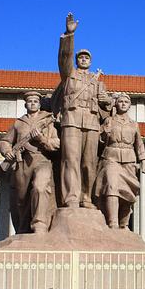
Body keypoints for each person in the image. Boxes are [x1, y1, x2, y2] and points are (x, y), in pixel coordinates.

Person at [54, 12, 113, 209]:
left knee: (89, 162)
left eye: (87, 57)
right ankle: (71, 197)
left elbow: (108, 106)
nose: (84, 59)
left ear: (91, 61)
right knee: (70, 159)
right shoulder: (69, 74)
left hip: (91, 121)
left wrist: (108, 101)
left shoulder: (98, 82)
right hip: (71, 119)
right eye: (81, 57)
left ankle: (86, 197)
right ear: (77, 60)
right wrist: (69, 35)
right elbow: (64, 56)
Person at [0, 91, 60, 234]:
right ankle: (23, 228)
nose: (32, 103)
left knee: (40, 187)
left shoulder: (47, 121)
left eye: (35, 101)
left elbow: (56, 144)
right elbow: (5, 140)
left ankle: (40, 224)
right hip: (22, 162)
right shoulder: (18, 123)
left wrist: (41, 139)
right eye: (30, 101)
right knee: (21, 199)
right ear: (25, 104)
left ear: (39, 104)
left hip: (42, 160)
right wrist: (7, 150)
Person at [93, 93, 145, 228]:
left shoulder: (134, 124)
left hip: (129, 160)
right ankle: (113, 222)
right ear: (116, 104)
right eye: (120, 101)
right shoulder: (109, 121)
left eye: (126, 102)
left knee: (129, 194)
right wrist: (103, 134)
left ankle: (123, 224)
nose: (123, 103)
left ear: (129, 105)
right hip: (111, 157)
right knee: (112, 186)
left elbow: (138, 143)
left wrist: (143, 159)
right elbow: (98, 141)